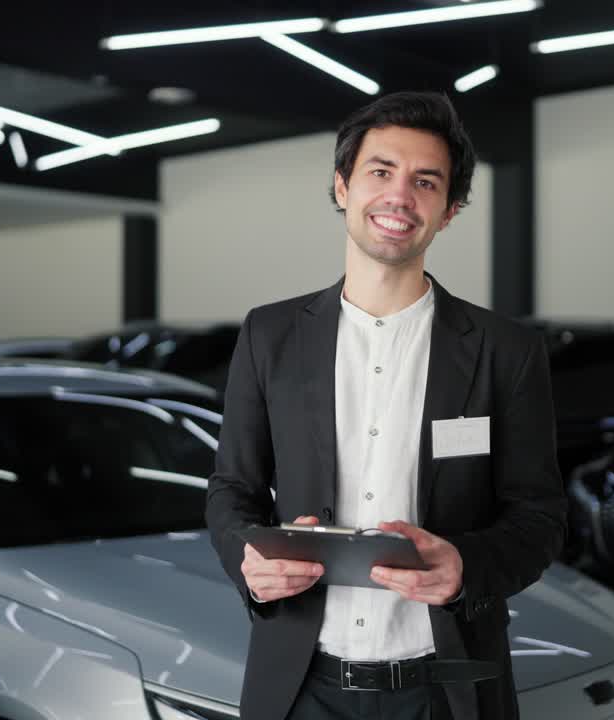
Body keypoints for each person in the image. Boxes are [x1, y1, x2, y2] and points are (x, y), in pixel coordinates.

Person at [205, 91, 566, 720]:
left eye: (426, 182)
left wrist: (465, 565)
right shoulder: (270, 335)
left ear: (449, 211)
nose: (400, 196)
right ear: (342, 186)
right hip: (301, 687)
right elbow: (232, 486)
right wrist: (247, 560)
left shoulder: (506, 350)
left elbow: (539, 518)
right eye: (380, 172)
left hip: (449, 689)